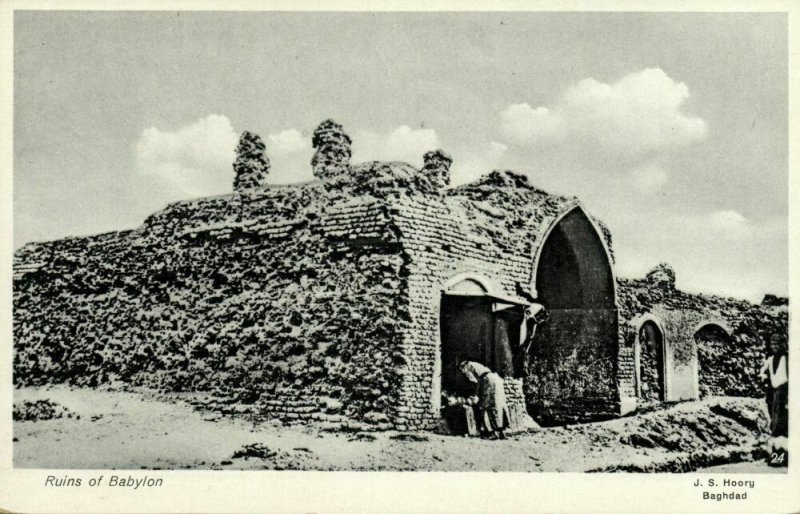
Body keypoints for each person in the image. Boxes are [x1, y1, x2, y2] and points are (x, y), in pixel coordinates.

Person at [459, 360, 511, 439]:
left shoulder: (468, 366)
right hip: (497, 379)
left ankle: (494, 432)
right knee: (498, 404)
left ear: (464, 367)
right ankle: (502, 432)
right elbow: (479, 383)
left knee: (487, 406)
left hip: (489, 380)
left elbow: (476, 382)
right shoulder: (477, 366)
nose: (463, 372)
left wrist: (476, 397)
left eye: (462, 370)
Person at [760, 333, 788, 465]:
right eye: (773, 344)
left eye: (777, 344)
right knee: (776, 426)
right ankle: (779, 457)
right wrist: (764, 379)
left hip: (785, 394)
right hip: (774, 396)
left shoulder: (787, 359)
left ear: (783, 344)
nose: (775, 346)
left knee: (781, 427)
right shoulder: (770, 360)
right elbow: (762, 373)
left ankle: (779, 458)